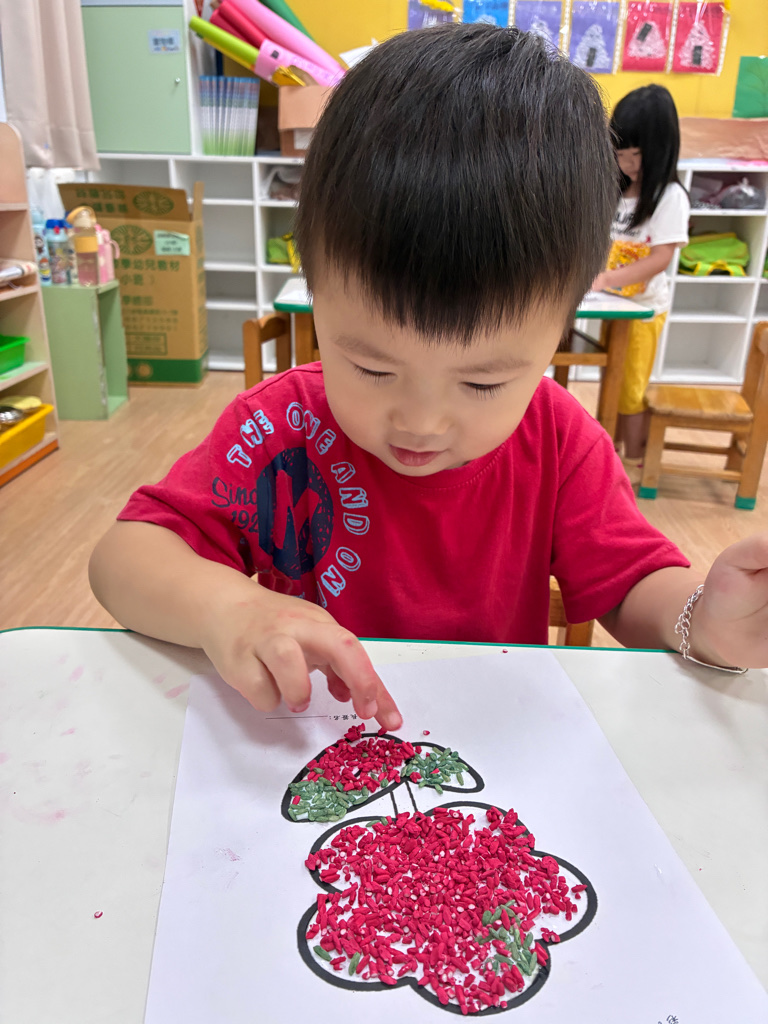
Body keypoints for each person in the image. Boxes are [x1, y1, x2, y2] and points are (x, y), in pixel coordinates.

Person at [89, 25, 768, 733]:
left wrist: (703, 620)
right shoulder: (282, 427)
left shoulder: (559, 441)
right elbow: (123, 559)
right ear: (315, 294)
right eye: (371, 367)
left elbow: (631, 585)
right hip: (312, 742)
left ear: (560, 331)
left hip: (493, 747)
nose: (420, 422)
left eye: (482, 384)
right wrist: (225, 607)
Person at [592, 84, 690, 466]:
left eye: (637, 155)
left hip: (643, 311)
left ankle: (635, 462)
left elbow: (660, 258)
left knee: (631, 390)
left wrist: (605, 280)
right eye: (620, 155)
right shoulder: (619, 192)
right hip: (612, 306)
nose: (629, 165)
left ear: (661, 150)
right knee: (613, 382)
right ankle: (613, 453)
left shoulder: (669, 196)